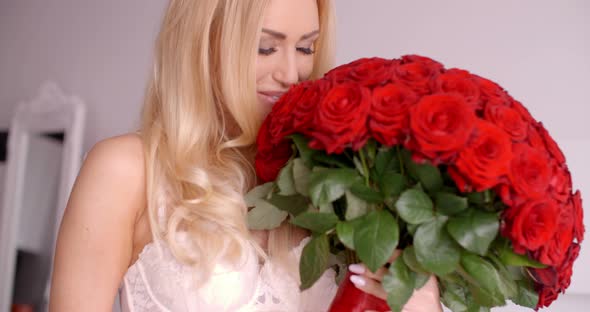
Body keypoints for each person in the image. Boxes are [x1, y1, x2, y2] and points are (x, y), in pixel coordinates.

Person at [49, 0, 442, 311]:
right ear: (204, 42)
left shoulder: (335, 183)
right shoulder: (127, 170)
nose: (291, 72)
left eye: (306, 47)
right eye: (265, 47)